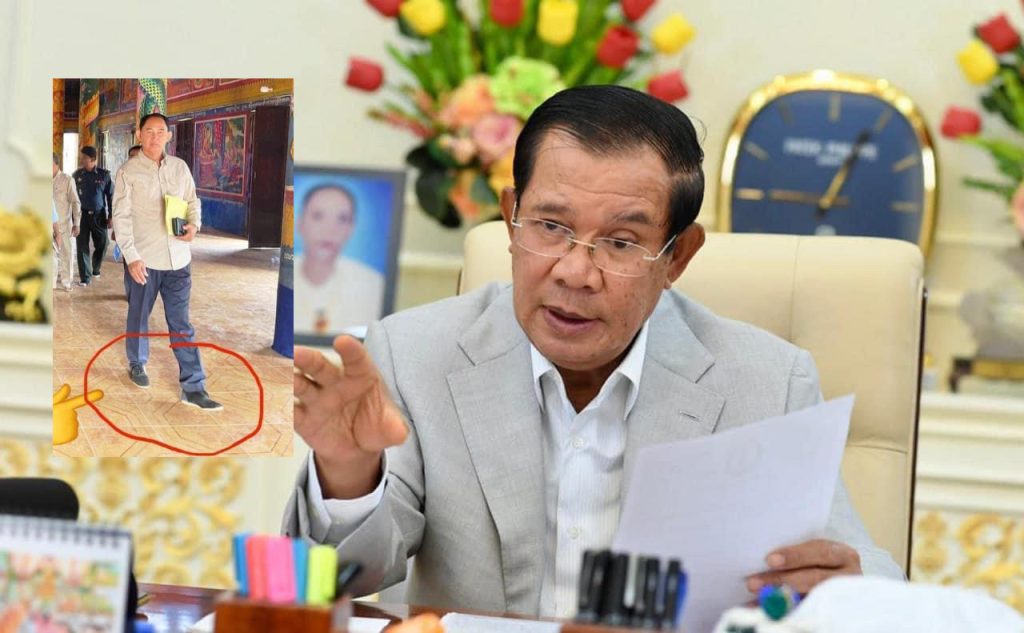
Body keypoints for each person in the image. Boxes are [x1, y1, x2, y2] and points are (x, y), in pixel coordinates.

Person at [286, 86, 904, 617]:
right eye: (551, 227)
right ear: (511, 220)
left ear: (678, 258)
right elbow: (345, 579)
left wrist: (845, 589)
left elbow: (865, 572)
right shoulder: (414, 352)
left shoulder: (767, 381)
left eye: (621, 242)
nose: (575, 272)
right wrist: (347, 472)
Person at [112, 113, 222, 411]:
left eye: (161, 131)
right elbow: (121, 217)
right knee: (139, 316)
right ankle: (137, 362)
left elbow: (192, 201)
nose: (155, 136)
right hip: (144, 261)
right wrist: (131, 257)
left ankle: (194, 386)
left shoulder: (180, 167)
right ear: (139, 134)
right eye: (149, 131)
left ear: (168, 136)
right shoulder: (128, 172)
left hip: (178, 260)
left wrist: (194, 225)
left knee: (181, 323)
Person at [293, 184, 385, 334]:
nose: (329, 229)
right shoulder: (280, 277)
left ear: (351, 229)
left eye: (342, 219)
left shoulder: (374, 285)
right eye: (318, 216)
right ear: (300, 223)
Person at [72, 146, 113, 286]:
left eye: (84, 157)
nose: (82, 160)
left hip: (99, 216)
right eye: (82, 157)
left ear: (93, 159)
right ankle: (85, 278)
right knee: (82, 246)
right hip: (81, 215)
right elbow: (72, 198)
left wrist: (111, 216)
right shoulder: (77, 175)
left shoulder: (104, 175)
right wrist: (73, 218)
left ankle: (96, 268)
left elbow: (111, 197)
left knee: (103, 244)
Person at [112, 145, 142, 300]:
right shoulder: (123, 176)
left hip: (145, 234)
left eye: (137, 156)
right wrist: (116, 230)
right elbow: (119, 209)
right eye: (131, 156)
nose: (133, 159)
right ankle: (131, 292)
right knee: (129, 263)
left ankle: (140, 293)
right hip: (128, 232)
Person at [51, 153, 81, 292]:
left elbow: (75, 202)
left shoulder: (67, 180)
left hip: (64, 224)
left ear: (56, 164)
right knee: (50, 256)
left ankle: (66, 281)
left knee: (66, 254)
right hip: (48, 225)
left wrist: (77, 223)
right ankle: (51, 282)